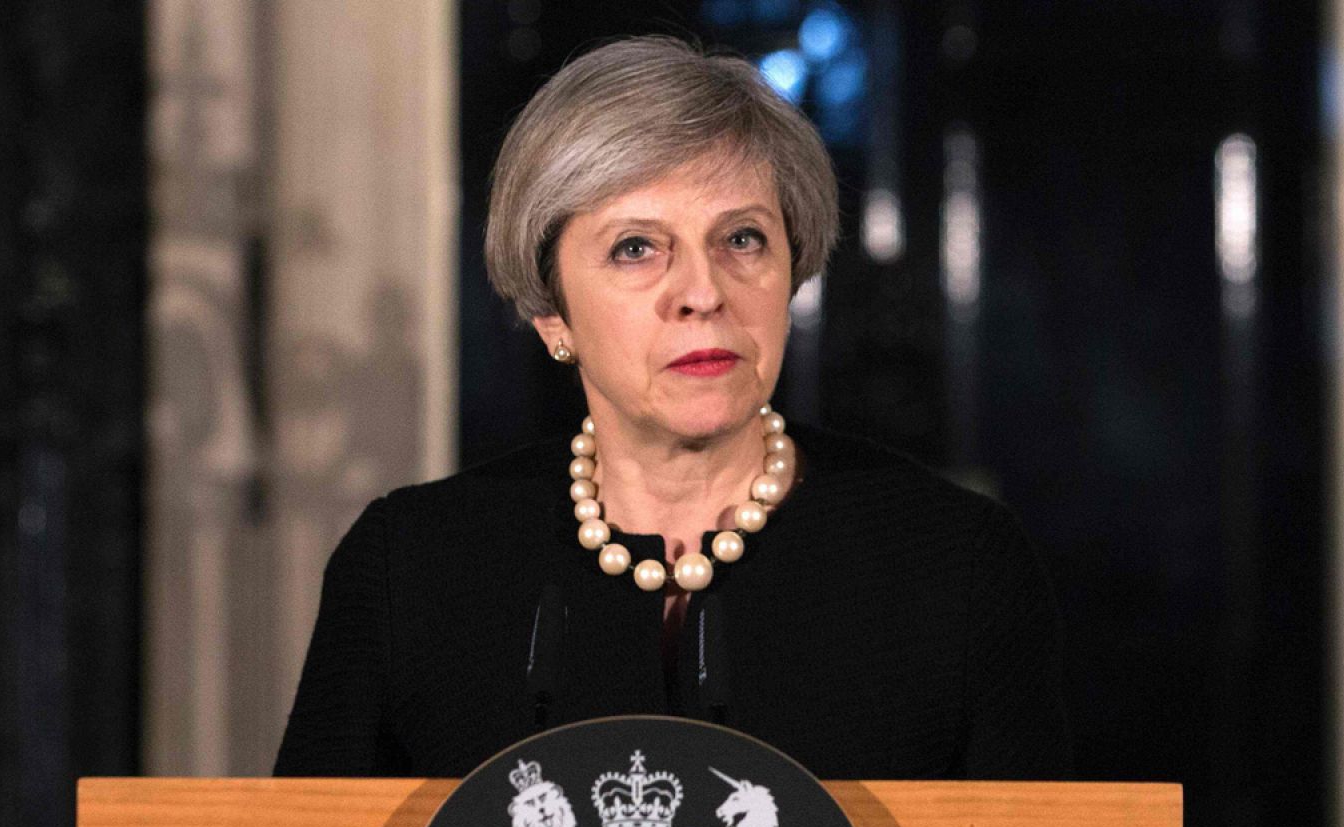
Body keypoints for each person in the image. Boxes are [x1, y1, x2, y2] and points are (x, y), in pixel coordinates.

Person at [275, 36, 1071, 780]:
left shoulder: (958, 566)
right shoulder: (409, 569)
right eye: (635, 248)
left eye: (743, 239)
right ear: (552, 314)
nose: (702, 293)